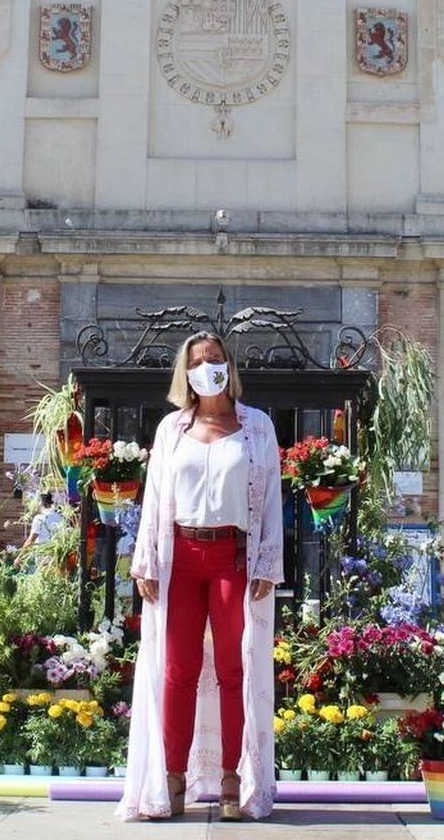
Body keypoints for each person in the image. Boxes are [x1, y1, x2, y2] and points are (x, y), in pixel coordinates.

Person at [117, 331, 282, 823]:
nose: (207, 367)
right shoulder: (172, 428)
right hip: (180, 559)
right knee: (178, 671)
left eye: (215, 359)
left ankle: (233, 778)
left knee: (234, 670)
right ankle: (172, 778)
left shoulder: (257, 428)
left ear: (229, 366)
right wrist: (145, 559)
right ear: (185, 373)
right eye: (197, 361)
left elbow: (272, 496)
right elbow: (154, 499)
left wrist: (269, 563)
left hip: (234, 558)